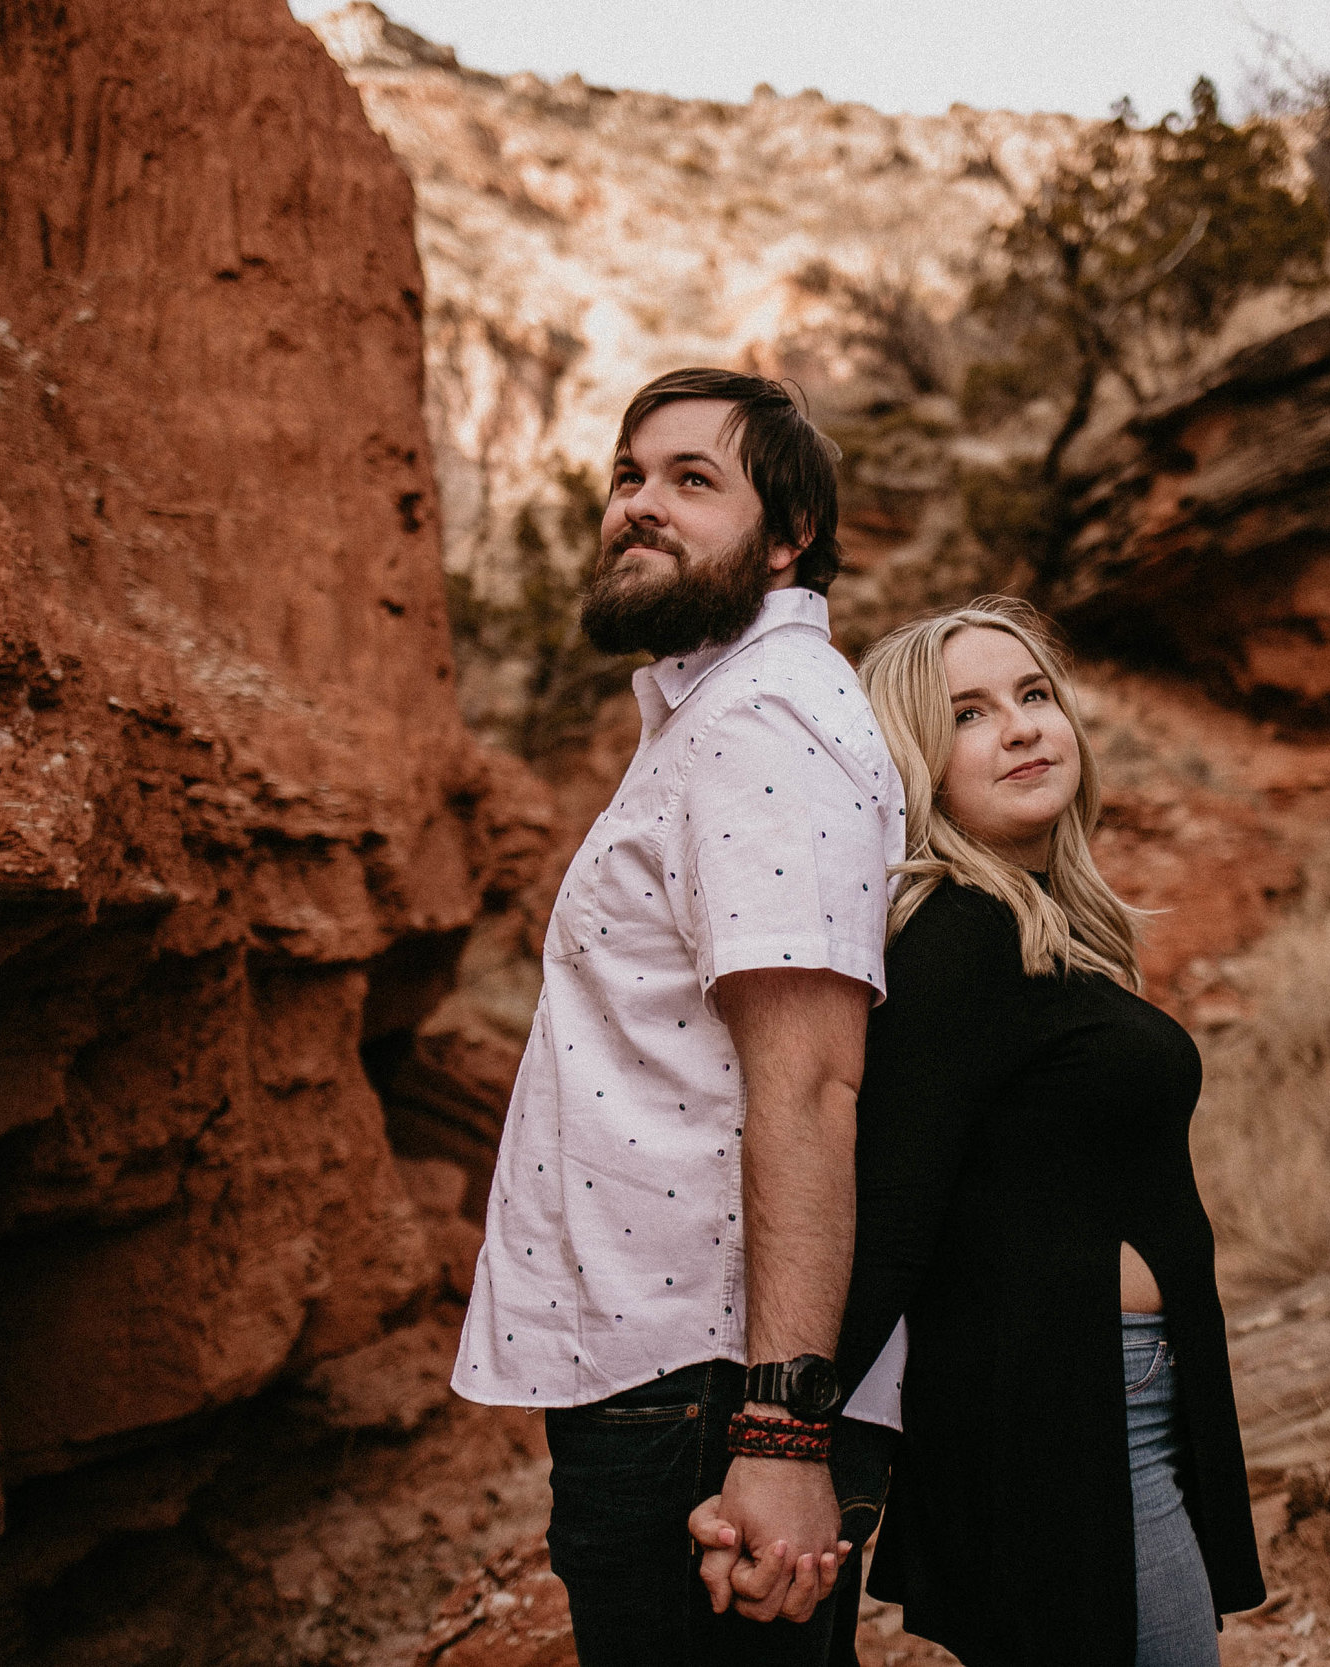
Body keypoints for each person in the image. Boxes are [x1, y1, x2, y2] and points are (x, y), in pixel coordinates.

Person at [696, 597, 1265, 1665]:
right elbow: (892, 1213)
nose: (1020, 727)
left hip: (1112, 1398)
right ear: (915, 764)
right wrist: (774, 1447)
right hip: (1059, 1416)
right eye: (968, 713)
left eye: (1034, 695)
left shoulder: (1040, 931)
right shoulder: (953, 936)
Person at [450, 368, 903, 1662]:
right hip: (663, 1386)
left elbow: (812, 1082)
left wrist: (779, 1435)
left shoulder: (766, 719)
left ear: (786, 533)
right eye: (627, 477)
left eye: (691, 479)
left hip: (699, 1400)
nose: (638, 506)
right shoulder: (709, 717)